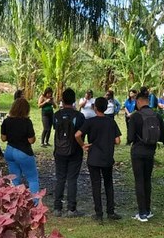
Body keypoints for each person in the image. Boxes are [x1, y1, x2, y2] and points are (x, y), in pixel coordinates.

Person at [75, 97, 122, 223]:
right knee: (108, 184)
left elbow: (77, 135)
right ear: (106, 108)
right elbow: (118, 141)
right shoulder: (111, 122)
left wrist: (83, 145)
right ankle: (111, 211)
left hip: (94, 158)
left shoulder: (90, 122)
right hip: (107, 157)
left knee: (96, 185)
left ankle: (99, 213)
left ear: (95, 107)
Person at [128, 92, 164, 222]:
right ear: (148, 101)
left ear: (139, 102)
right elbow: (163, 135)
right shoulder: (157, 115)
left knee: (139, 180)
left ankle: (142, 213)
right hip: (151, 151)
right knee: (147, 180)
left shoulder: (135, 116)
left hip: (137, 152)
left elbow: (130, 137)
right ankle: (148, 210)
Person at [52, 88, 86, 217]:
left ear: (62, 99)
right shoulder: (79, 116)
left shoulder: (56, 115)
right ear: (73, 101)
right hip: (75, 150)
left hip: (59, 150)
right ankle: (71, 209)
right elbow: (82, 133)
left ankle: (57, 208)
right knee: (72, 179)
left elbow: (55, 128)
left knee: (60, 178)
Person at [1, 98, 39, 199]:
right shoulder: (27, 122)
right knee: (32, 179)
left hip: (9, 150)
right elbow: (31, 140)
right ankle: (35, 203)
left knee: (14, 179)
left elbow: (3, 138)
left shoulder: (6, 121)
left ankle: (15, 202)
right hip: (23, 152)